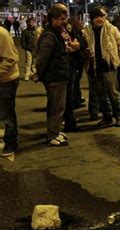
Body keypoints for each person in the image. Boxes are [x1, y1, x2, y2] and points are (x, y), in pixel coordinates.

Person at [84, 7, 120, 127]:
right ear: (92, 19)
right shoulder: (87, 31)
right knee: (101, 94)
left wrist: (118, 62)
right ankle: (107, 117)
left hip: (109, 66)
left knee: (113, 93)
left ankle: (119, 116)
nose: (99, 19)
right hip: (95, 67)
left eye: (101, 16)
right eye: (96, 17)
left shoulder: (112, 29)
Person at [35, 4, 70, 146]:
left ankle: (55, 130)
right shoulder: (49, 35)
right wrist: (39, 75)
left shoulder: (56, 32)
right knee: (56, 107)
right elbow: (42, 59)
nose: (64, 21)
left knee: (58, 107)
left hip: (59, 76)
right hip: (55, 77)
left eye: (65, 18)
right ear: (53, 19)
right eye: (61, 19)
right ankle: (52, 135)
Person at [0, 26, 20, 156]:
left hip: (7, 79)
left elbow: (11, 58)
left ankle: (11, 142)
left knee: (6, 113)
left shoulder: (2, 34)